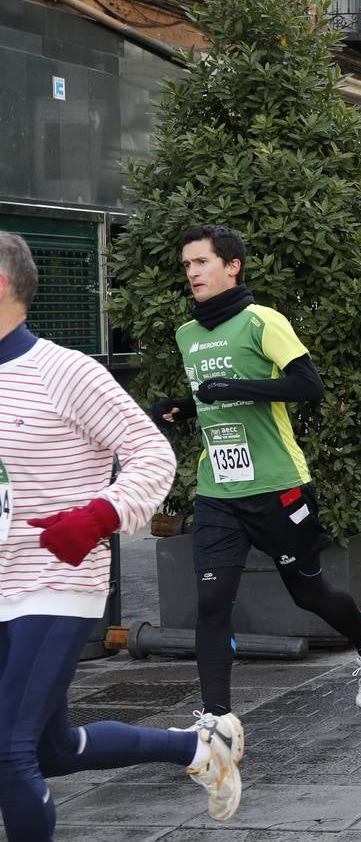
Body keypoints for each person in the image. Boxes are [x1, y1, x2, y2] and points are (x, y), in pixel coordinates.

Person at [0, 232, 247, 837]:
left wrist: (96, 518)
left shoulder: (64, 370)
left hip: (57, 579)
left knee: (8, 752)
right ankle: (196, 749)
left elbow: (151, 456)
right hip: (3, 582)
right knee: (51, 748)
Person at [156, 225, 361, 733]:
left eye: (201, 262)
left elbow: (308, 385)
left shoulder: (261, 321)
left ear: (232, 266)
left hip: (277, 484)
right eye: (187, 265)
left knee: (307, 591)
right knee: (212, 602)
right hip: (219, 490)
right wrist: (181, 405)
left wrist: (236, 386)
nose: (193, 272)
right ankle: (217, 722)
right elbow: (212, 399)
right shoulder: (186, 334)